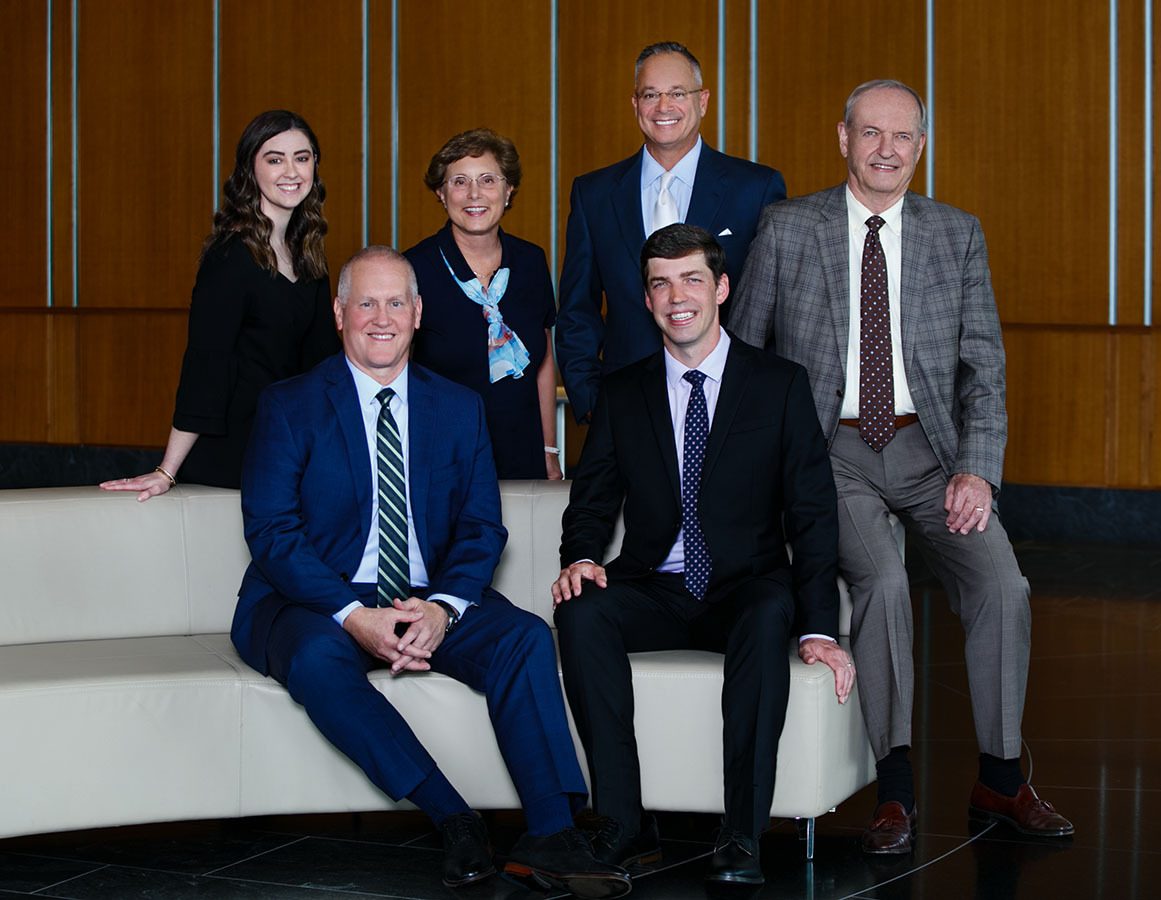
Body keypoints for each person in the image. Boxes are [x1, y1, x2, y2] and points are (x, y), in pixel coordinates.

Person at [729, 79, 1074, 854]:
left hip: (932, 453)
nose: (888, 149)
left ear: (921, 146)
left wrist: (978, 471)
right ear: (843, 138)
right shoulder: (788, 228)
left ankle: (1001, 776)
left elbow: (984, 368)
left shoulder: (958, 234)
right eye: (872, 133)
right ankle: (895, 790)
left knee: (1003, 583)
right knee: (882, 585)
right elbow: (744, 355)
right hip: (830, 454)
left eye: (904, 137)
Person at [230, 246, 631, 898]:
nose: (381, 318)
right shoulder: (290, 405)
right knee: (313, 660)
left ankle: (553, 834)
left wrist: (443, 608)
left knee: (524, 637)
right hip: (312, 600)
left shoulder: (457, 407)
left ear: (418, 314)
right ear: (340, 314)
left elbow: (481, 527)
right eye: (366, 302)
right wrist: (354, 616)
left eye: (396, 303)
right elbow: (273, 534)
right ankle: (453, 818)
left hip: (425, 595)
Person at [553, 224, 850, 887]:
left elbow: (811, 513)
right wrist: (579, 558)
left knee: (769, 612)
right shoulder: (623, 392)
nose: (676, 295)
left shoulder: (778, 384)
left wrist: (821, 626)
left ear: (720, 287)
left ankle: (741, 834)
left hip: (744, 584)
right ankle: (623, 825)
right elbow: (593, 499)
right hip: (655, 584)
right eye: (660, 283)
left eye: (691, 279)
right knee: (580, 613)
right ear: (647, 299)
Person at [101, 110, 340, 499]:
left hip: (290, 446)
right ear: (251, 169)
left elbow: (320, 364)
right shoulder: (231, 257)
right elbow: (205, 364)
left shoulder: (308, 255)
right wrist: (167, 470)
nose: (291, 171)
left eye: (302, 157)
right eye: (275, 159)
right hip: (235, 452)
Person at [555, 41, 786, 424]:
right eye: (650, 94)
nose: (664, 107)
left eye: (678, 93)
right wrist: (592, 400)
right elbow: (578, 309)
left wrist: (759, 402)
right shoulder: (594, 194)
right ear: (635, 105)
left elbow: (775, 310)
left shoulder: (755, 189)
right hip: (625, 408)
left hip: (730, 407)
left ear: (703, 101)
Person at [404, 129, 561, 479]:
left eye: (488, 180)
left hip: (524, 454)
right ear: (441, 194)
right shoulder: (414, 269)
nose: (474, 194)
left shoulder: (532, 261)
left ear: (508, 191)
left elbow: (544, 359)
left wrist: (549, 449)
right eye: (459, 182)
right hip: (443, 460)